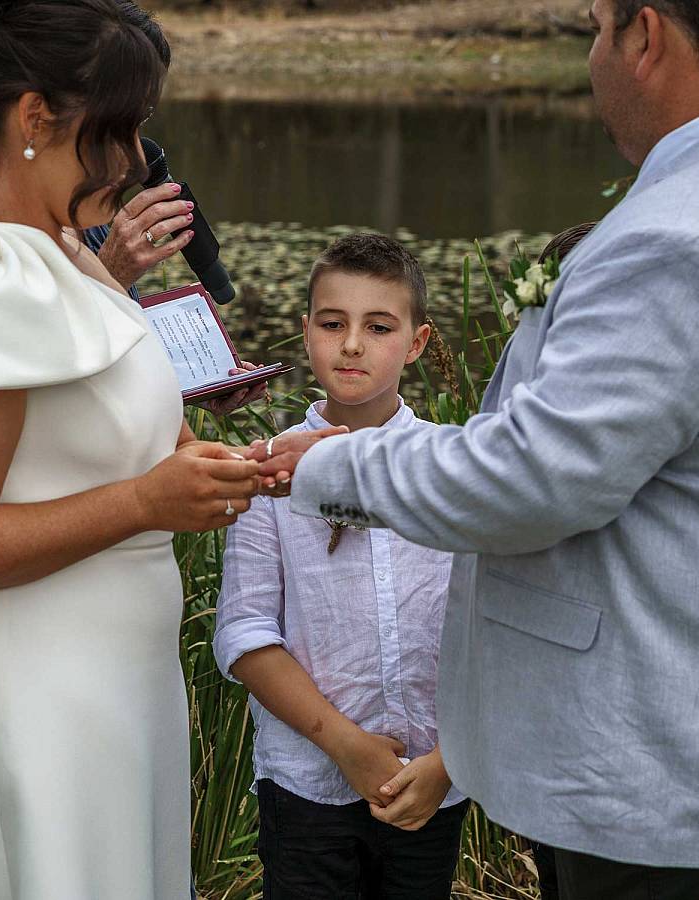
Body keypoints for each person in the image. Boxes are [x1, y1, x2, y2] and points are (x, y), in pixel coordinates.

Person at [250, 1, 699, 897]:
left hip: (669, 779)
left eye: (596, 27)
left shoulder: (681, 235)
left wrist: (321, 463)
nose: (592, 56)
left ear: (645, 35)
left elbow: (533, 480)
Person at [0, 0, 317, 895]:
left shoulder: (66, 250)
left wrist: (223, 469)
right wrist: (144, 504)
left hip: (106, 694)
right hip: (20, 702)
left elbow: (123, 438)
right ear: (35, 119)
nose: (134, 158)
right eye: (119, 129)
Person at [215, 234, 468, 900]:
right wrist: (346, 745)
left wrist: (451, 761)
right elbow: (245, 633)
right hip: (308, 784)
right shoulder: (268, 472)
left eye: (378, 327)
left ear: (416, 342)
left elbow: (489, 629)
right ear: (306, 333)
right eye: (332, 324)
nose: (352, 344)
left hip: (430, 783)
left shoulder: (453, 466)